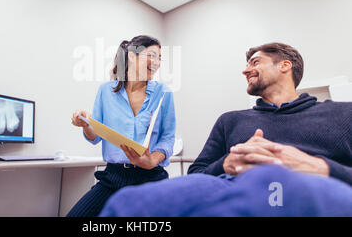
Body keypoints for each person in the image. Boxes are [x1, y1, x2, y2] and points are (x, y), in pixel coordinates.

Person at [99, 42, 352, 217]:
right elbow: (197, 172)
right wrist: (226, 163)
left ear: (285, 66)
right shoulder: (230, 120)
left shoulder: (342, 114)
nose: (245, 69)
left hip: (311, 185)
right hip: (228, 186)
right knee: (129, 203)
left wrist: (321, 167)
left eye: (255, 62)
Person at [67, 35, 176, 217]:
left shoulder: (163, 92)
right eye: (151, 55)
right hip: (113, 178)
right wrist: (86, 124)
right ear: (132, 56)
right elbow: (95, 136)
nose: (156, 63)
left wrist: (152, 161)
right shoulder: (105, 91)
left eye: (159, 58)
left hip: (151, 178)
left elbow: (167, 137)